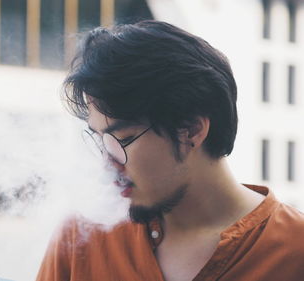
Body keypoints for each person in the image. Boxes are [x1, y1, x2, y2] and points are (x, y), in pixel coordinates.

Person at [36, 20, 304, 281]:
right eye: (100, 139)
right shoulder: (81, 236)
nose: (108, 164)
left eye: (124, 138)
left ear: (191, 130)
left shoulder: (295, 250)